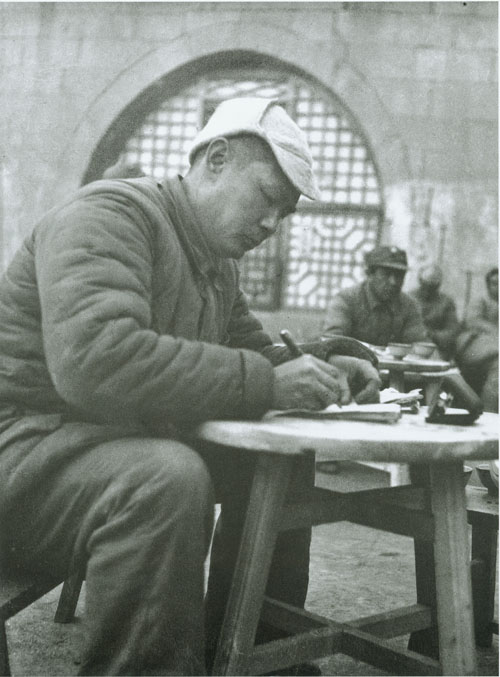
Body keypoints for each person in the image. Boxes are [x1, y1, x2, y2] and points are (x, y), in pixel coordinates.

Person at [0, 97, 380, 676]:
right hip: (23, 456)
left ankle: (256, 655)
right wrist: (267, 382)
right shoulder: (108, 216)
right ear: (216, 159)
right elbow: (95, 361)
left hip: (96, 448)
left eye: (284, 213)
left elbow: (252, 355)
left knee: (278, 455)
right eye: (266, 196)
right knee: (165, 478)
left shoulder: (213, 261)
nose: (271, 225)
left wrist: (325, 363)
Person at [322, 245, 428, 347]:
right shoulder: (346, 300)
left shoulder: (408, 305)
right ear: (370, 274)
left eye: (399, 275)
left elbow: (420, 344)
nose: (393, 282)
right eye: (386, 274)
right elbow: (332, 343)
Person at [456, 266, 498, 412]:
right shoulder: (481, 301)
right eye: (495, 283)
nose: (498, 287)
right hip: (476, 347)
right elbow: (473, 321)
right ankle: (490, 413)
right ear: (488, 285)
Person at [410, 264, 460, 359]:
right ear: (420, 281)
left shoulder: (446, 302)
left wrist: (432, 334)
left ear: (438, 285)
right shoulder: (409, 298)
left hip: (436, 349)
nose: (427, 291)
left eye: (432, 287)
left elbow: (452, 332)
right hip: (411, 346)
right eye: (425, 285)